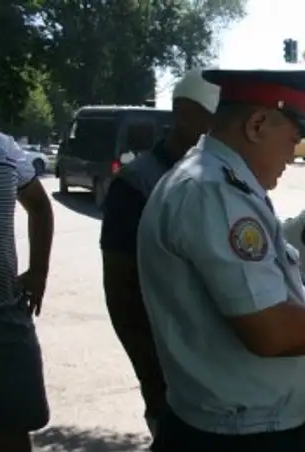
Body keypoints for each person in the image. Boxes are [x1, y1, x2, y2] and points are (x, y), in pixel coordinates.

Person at [136, 68, 305, 452]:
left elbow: (244, 293)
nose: (292, 156)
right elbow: (271, 332)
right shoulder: (214, 192)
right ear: (257, 124)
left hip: (240, 426)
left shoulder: (220, 181)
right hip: (238, 436)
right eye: (292, 140)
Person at [100, 67, 220, 437]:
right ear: (184, 114)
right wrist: (149, 369)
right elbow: (119, 291)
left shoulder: (218, 175)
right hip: (165, 364)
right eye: (215, 119)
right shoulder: (136, 185)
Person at [0, 132, 54, 452]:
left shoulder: (4, 150)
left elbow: (40, 207)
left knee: (12, 427)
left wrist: (39, 272)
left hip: (3, 314)